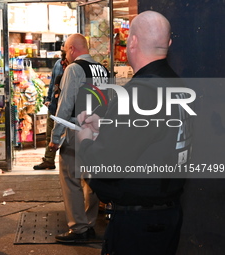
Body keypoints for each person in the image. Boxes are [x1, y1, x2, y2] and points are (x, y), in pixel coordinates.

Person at [77, 11, 193, 254]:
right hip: (167, 216)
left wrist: (85, 140)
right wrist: (109, 125)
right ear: (168, 44)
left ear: (133, 42)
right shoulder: (179, 85)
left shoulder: (140, 93)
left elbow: (106, 163)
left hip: (139, 225)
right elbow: (154, 137)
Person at [49, 33, 110, 243]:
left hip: (76, 129)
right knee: (90, 179)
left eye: (66, 50)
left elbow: (65, 105)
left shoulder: (74, 69)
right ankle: (90, 223)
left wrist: (55, 136)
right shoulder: (103, 69)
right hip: (98, 129)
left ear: (73, 49)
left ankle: (79, 228)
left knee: (70, 178)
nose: (66, 55)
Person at [33, 47, 68, 170]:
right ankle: (49, 160)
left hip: (67, 107)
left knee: (66, 136)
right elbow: (53, 83)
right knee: (50, 134)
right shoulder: (58, 64)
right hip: (54, 105)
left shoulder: (74, 67)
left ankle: (68, 163)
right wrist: (48, 99)